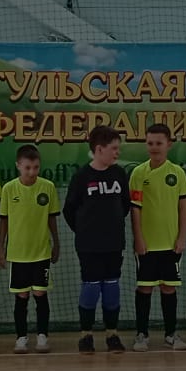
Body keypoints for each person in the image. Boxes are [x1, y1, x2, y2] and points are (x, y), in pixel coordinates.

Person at [64, 125, 132, 355]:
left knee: (112, 287)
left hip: (114, 243)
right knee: (91, 288)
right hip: (89, 246)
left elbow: (125, 205)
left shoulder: (119, 174)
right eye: (114, 148)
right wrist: (85, 232)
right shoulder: (82, 176)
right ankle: (86, 335)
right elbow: (69, 210)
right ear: (99, 149)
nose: (117, 152)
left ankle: (112, 334)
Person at [130, 122, 186, 352]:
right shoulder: (138, 173)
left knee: (168, 288)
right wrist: (138, 238)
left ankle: (171, 334)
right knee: (145, 288)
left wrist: (182, 237)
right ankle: (141, 334)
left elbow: (184, 207)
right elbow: (135, 209)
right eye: (150, 143)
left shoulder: (178, 173)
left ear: (168, 144)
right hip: (147, 244)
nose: (154, 147)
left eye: (159, 143)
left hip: (171, 243)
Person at [0, 143, 60, 354]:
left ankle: (42, 336)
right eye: (27, 168)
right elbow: (4, 221)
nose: (32, 172)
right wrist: (1, 249)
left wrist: (56, 243)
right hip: (18, 254)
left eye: (36, 167)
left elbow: (52, 219)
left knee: (40, 294)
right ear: (18, 165)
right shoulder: (8, 189)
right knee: (21, 297)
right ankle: (21, 338)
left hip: (41, 252)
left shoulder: (48, 187)